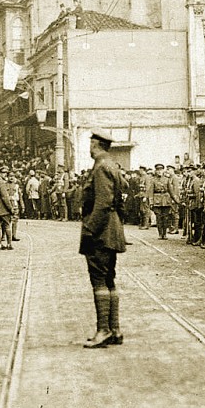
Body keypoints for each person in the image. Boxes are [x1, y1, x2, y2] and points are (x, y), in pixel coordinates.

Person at [79, 130, 127, 348]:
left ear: (95, 145)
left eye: (90, 144)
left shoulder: (100, 167)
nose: (89, 148)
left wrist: (90, 229)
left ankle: (104, 330)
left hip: (101, 231)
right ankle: (114, 329)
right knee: (109, 279)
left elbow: (103, 202)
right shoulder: (112, 165)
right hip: (111, 228)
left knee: (99, 278)